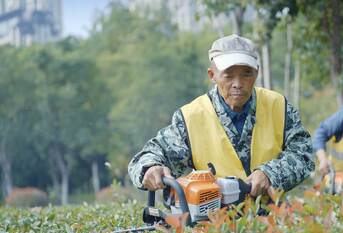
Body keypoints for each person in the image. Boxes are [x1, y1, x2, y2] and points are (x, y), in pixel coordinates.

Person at [128, 34, 314, 199]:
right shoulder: (190, 117)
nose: (238, 84)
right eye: (228, 75)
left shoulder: (279, 106)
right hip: (213, 227)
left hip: (272, 225)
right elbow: (149, 155)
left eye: (246, 74)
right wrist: (151, 168)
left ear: (257, 72)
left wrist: (270, 174)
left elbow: (304, 154)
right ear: (212, 75)